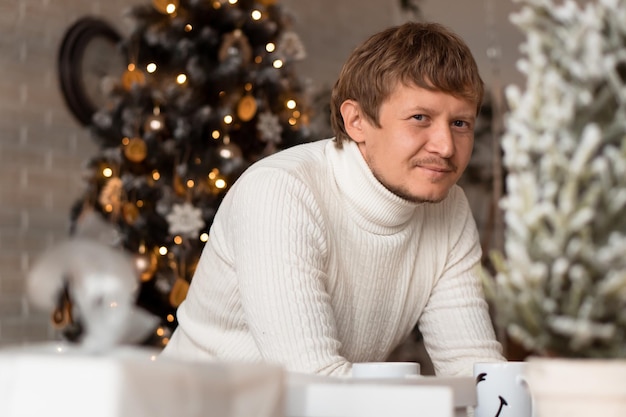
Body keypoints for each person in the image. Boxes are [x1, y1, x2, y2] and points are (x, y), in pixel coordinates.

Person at [161, 21, 505, 376]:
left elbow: (473, 369)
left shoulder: (450, 208)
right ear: (356, 120)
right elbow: (313, 380)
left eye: (460, 123)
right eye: (420, 118)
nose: (446, 147)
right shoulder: (281, 192)